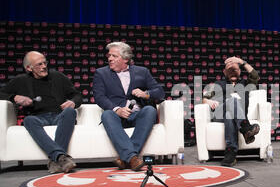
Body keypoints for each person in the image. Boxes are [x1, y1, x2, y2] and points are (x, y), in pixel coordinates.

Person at [0, 51, 81, 173]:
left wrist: (73, 102)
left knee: (70, 112)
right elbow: (2, 93)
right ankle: (60, 158)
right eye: (39, 64)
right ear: (29, 68)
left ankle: (56, 159)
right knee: (28, 120)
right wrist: (14, 97)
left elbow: (77, 95)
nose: (44, 66)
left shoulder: (58, 76)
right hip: (38, 117)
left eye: (45, 63)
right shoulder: (20, 80)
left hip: (59, 115)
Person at [93, 41, 165, 171]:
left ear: (125, 59)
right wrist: (117, 110)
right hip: (116, 117)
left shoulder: (142, 72)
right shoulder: (101, 73)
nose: (109, 59)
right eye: (109, 56)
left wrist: (146, 94)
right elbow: (99, 97)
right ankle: (132, 158)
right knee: (107, 114)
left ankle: (125, 157)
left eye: (114, 56)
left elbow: (160, 92)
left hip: (138, 116)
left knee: (149, 110)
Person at [202, 56, 260, 167]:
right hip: (219, 114)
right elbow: (204, 98)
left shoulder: (246, 84)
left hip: (233, 116)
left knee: (230, 115)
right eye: (230, 70)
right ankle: (246, 127)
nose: (232, 72)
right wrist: (208, 102)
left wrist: (242, 62)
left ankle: (230, 154)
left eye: (235, 69)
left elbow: (255, 76)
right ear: (224, 72)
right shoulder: (218, 84)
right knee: (232, 101)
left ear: (239, 71)